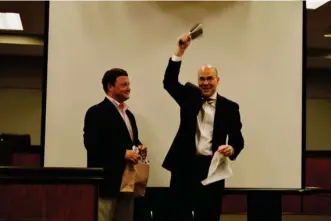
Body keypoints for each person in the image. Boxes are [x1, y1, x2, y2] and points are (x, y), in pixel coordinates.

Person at [162, 34, 244, 221]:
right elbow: (169, 83)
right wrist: (180, 50)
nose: (205, 83)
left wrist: (231, 148)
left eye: (209, 79)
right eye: (201, 79)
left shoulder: (230, 107)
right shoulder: (189, 95)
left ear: (217, 80)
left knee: (208, 216)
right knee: (178, 215)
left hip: (211, 170)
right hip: (184, 167)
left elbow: (238, 139)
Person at [83, 68, 147, 221]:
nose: (128, 88)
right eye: (124, 84)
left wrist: (138, 147)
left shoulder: (128, 114)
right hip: (106, 184)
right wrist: (122, 154)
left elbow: (130, 141)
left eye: (129, 84)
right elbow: (92, 145)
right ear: (110, 87)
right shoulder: (96, 112)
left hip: (128, 183)